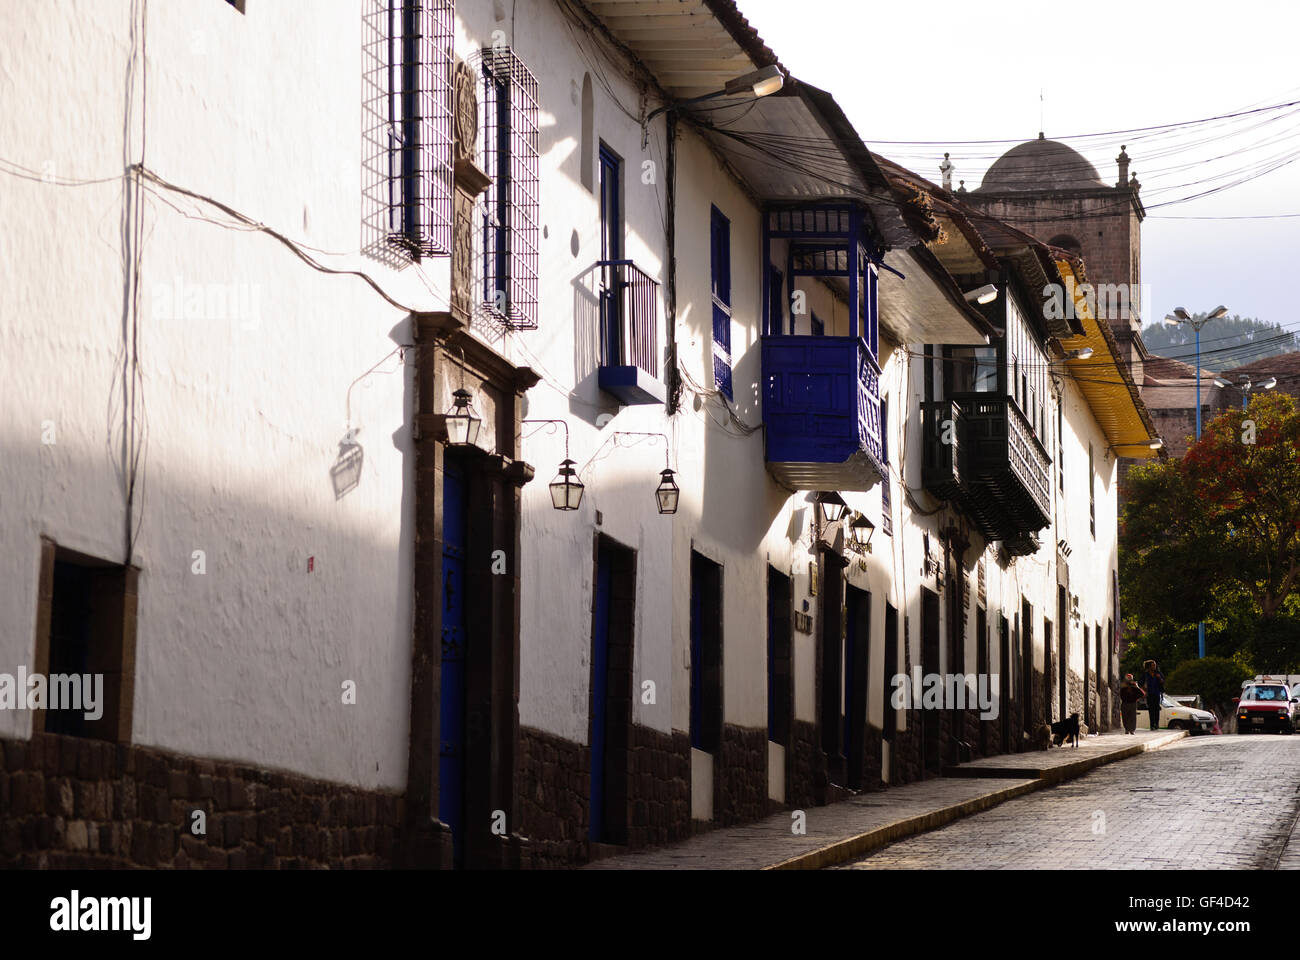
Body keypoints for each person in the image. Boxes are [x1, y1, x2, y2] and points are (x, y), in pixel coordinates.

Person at [1141, 659, 1165, 731]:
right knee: (1151, 709)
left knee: (1156, 709)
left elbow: (1163, 682)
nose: (1154, 666)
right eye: (1153, 665)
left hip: (1157, 693)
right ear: (1149, 666)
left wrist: (1159, 678)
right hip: (1149, 694)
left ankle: (1156, 724)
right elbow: (1140, 683)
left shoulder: (1158, 673)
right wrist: (1144, 689)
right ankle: (1152, 725)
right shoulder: (1145, 674)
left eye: (1155, 665)